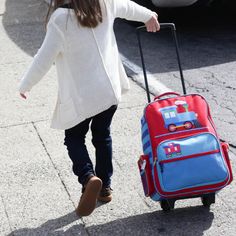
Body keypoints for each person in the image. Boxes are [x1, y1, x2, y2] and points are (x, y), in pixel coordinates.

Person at [19, 0, 160, 217]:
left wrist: (26, 85)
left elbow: (44, 58)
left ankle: (88, 177)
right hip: (109, 90)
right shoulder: (106, 3)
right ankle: (104, 188)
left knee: (74, 137)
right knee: (102, 136)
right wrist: (150, 15)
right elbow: (130, 8)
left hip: (83, 96)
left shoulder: (61, 19)